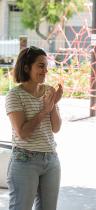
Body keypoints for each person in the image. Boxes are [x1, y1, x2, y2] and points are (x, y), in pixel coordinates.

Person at [5, 46, 63, 210]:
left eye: (46, 66)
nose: (45, 70)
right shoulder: (15, 95)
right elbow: (23, 133)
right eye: (40, 66)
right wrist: (44, 109)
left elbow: (56, 128)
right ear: (26, 67)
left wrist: (53, 105)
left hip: (51, 159)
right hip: (25, 161)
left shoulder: (49, 91)